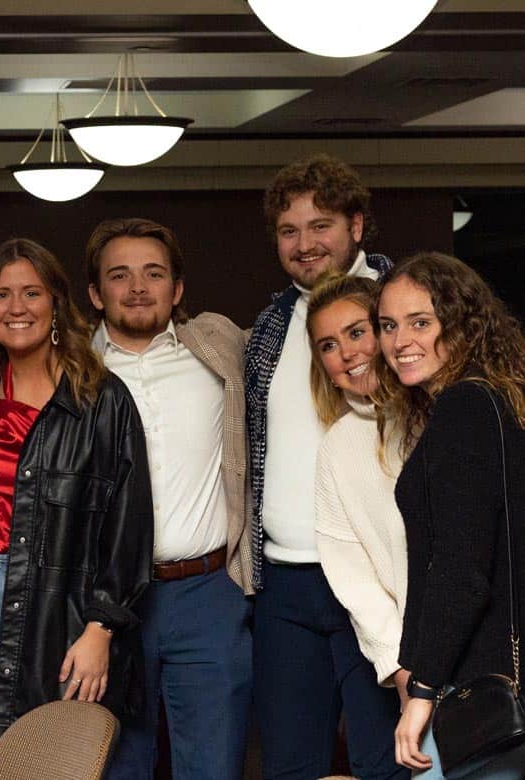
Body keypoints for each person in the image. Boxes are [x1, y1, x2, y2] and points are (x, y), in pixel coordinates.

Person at [0, 237, 152, 764]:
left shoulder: (103, 400)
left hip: (66, 613)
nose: (17, 308)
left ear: (56, 305)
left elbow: (128, 527)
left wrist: (100, 627)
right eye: (1, 295)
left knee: (58, 764)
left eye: (31, 293)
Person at [244, 154, 403, 779]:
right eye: (289, 231)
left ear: (357, 226)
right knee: (288, 764)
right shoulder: (268, 326)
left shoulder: (404, 304)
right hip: (285, 585)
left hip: (377, 582)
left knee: (386, 761)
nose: (305, 245)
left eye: (321, 225)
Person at [81, 218, 253, 780]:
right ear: (94, 293)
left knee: (213, 766)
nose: (137, 288)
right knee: (112, 765)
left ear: (177, 289)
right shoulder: (72, 370)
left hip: (206, 594)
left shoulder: (220, 349)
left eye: (153, 274)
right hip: (105, 607)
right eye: (120, 275)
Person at [377, 253, 525, 778]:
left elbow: (462, 574)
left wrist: (420, 692)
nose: (400, 342)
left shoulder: (465, 409)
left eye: (421, 322)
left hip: (475, 687)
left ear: (461, 326)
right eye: (389, 326)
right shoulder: (489, 401)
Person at [306, 272, 414, 734]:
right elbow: (351, 572)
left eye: (356, 332)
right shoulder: (337, 446)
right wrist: (400, 665)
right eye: (328, 345)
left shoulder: (443, 414)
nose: (347, 353)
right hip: (414, 660)